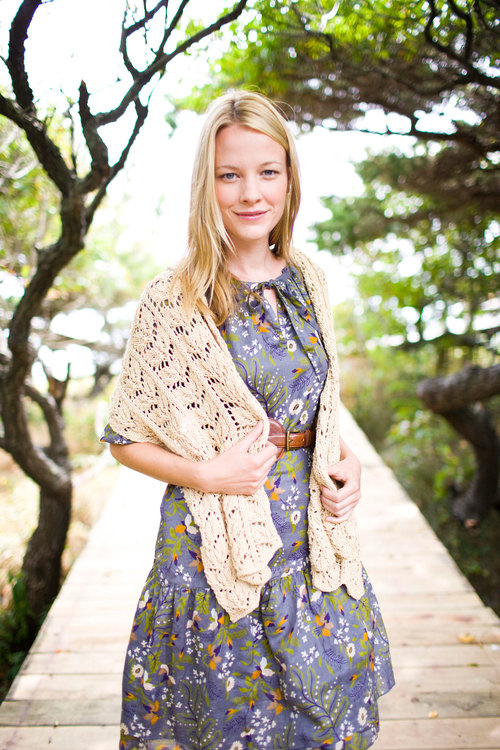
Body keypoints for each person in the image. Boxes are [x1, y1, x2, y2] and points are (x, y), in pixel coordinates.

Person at [102, 90, 394, 750]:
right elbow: (125, 437)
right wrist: (207, 471)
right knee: (224, 717)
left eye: (268, 171)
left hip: (312, 536)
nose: (250, 193)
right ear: (207, 185)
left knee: (318, 714)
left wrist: (344, 462)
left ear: (290, 178)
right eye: (230, 175)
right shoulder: (173, 299)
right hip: (212, 542)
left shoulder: (308, 280)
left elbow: (321, 403)